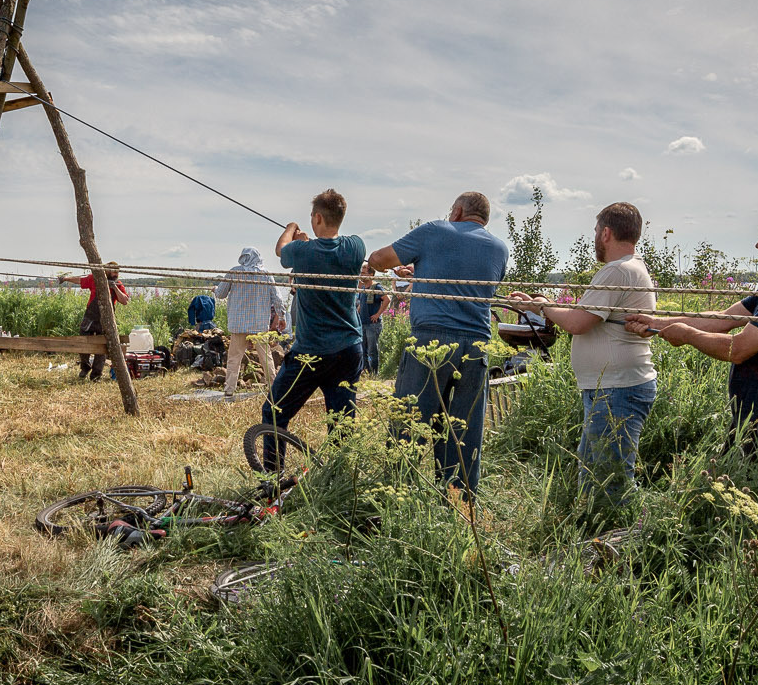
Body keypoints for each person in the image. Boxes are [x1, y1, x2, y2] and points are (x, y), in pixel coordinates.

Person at [626, 210, 758, 467]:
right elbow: (723, 319)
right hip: (756, 420)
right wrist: (658, 323)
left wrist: (686, 335)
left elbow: (738, 349)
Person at [506, 202, 657, 515]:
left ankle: (614, 538)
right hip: (614, 387)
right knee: (598, 469)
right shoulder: (631, 268)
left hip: (617, 389)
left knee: (607, 476)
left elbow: (577, 323)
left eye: (595, 232)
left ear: (605, 233)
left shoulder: (617, 270)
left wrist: (543, 307)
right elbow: (584, 314)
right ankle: (602, 534)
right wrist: (540, 305)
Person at [365, 192, 511, 497]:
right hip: (477, 347)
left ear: (457, 211)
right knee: (464, 430)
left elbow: (380, 260)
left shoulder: (435, 229)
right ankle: (459, 500)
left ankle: (400, 495)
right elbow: (466, 282)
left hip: (432, 339)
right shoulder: (499, 248)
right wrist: (421, 273)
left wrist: (385, 264)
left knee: (410, 422)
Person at [259, 190, 366, 467]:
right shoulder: (356, 247)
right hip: (348, 349)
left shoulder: (303, 253)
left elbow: (282, 251)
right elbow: (326, 250)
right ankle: (340, 481)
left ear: (317, 217)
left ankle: (273, 481)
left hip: (311, 352)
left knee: (273, 413)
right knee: (342, 424)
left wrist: (292, 228)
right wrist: (308, 243)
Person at [214, 247, 285, 398]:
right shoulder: (266, 275)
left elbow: (220, 294)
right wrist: (282, 316)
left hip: (238, 324)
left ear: (243, 258)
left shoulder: (235, 272)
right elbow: (277, 299)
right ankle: (273, 388)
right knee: (266, 358)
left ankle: (229, 389)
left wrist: (214, 289)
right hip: (259, 325)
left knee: (234, 358)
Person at [58, 263, 129, 381]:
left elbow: (125, 301)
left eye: (117, 272)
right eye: (113, 272)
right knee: (83, 340)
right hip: (90, 316)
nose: (116, 275)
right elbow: (81, 280)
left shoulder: (118, 284)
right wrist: (65, 278)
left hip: (106, 320)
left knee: (102, 347)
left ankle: (96, 375)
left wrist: (115, 288)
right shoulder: (94, 278)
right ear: (106, 271)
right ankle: (85, 367)